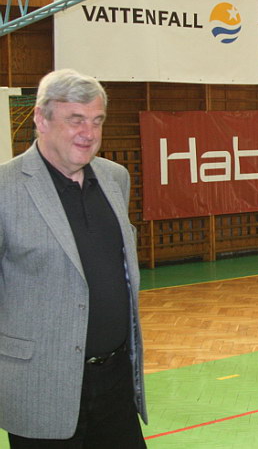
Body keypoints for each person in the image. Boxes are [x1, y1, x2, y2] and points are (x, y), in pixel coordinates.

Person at [0, 69, 147, 447]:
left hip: (115, 383)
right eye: (76, 119)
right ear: (41, 119)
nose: (89, 132)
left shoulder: (115, 178)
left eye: (97, 121)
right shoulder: (5, 189)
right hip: (41, 387)